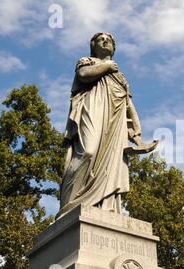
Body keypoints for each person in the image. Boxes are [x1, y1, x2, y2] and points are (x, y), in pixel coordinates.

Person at [57, 32, 157, 219]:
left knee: (113, 163)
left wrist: (137, 136)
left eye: (109, 40)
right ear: (93, 46)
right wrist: (106, 66)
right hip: (93, 107)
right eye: (100, 39)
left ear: (113, 47)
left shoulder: (120, 76)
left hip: (115, 123)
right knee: (87, 151)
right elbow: (83, 75)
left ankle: (104, 206)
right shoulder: (87, 61)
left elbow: (129, 106)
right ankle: (69, 205)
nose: (105, 41)